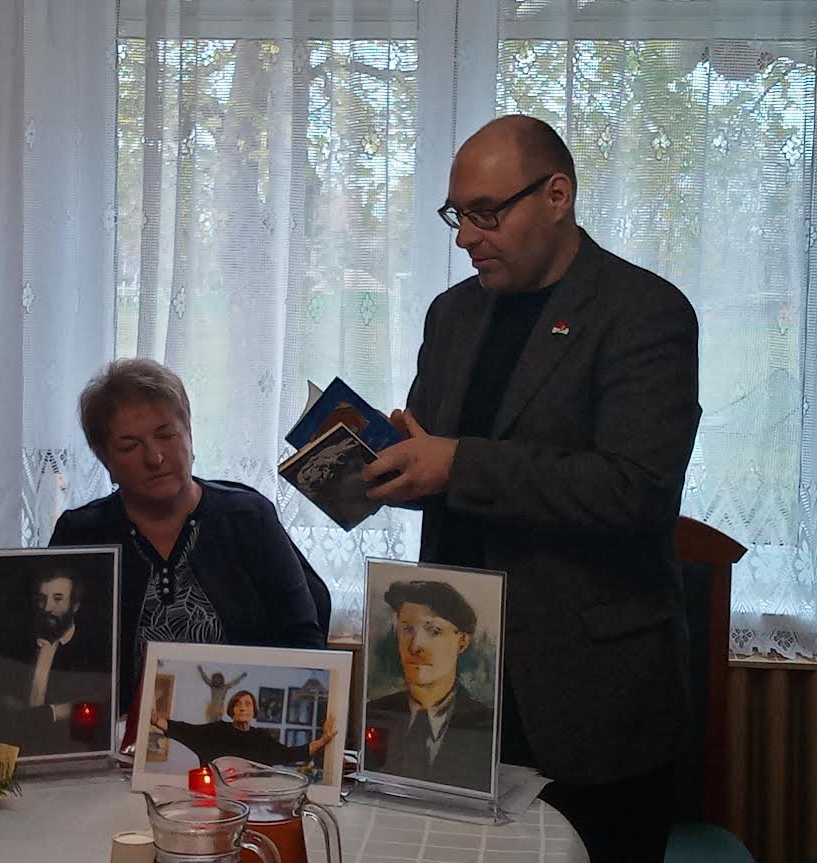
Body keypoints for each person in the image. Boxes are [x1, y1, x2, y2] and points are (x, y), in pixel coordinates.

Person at [362, 115, 701, 863]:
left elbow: (634, 488)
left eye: (486, 213)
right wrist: (392, 463)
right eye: (457, 215)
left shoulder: (645, 312)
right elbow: (441, 466)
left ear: (556, 196)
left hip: (588, 692)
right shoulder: (451, 314)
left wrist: (455, 464)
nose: (465, 237)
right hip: (455, 678)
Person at [49, 358, 326, 710]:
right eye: (130, 446)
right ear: (104, 459)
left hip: (241, 729)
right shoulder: (81, 533)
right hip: (116, 734)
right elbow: (56, 657)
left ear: (189, 434)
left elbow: (304, 645)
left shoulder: (247, 518)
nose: (155, 457)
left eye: (166, 435)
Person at [363, 580, 493, 792]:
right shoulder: (375, 714)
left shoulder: (485, 725)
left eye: (434, 631)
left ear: (462, 641)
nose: (415, 646)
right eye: (407, 629)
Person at [0, 566, 114, 756]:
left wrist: (39, 716)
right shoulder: (16, 646)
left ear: (75, 605)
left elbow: (93, 712)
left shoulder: (92, 654)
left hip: (66, 755)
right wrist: (55, 712)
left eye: (58, 599)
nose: (47, 608)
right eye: (42, 599)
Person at [151, 690, 336, 768]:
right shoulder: (215, 731)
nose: (242, 708)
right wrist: (155, 719)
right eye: (238, 704)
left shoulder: (261, 739)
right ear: (231, 710)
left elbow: (291, 754)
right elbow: (185, 731)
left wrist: (324, 739)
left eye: (247, 704)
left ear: (254, 711)